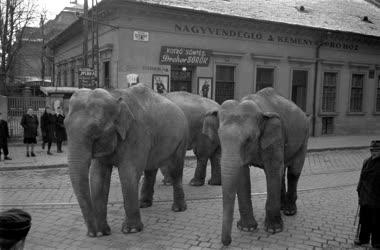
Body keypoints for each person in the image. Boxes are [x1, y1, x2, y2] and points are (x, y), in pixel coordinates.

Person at [354, 140, 380, 248]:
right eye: (371, 150)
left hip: (377, 197)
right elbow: (361, 178)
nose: (373, 152)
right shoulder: (366, 162)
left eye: (376, 150)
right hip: (365, 196)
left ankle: (377, 242)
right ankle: (363, 239)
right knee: (364, 219)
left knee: (376, 221)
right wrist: (359, 190)